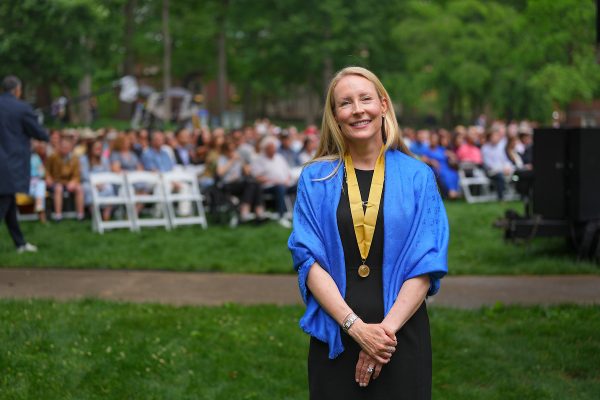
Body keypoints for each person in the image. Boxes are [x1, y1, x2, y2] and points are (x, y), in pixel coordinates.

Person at [288, 66, 448, 399]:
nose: (358, 109)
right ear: (335, 115)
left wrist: (381, 336)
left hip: (401, 337)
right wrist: (357, 329)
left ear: (384, 105)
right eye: (345, 103)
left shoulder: (419, 177)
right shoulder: (315, 179)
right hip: (336, 335)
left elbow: (426, 261)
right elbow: (308, 259)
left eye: (366, 99)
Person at [0, 75, 49, 252]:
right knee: (4, 202)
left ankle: (20, 243)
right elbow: (39, 133)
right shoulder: (22, 108)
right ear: (17, 90)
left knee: (9, 202)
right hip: (10, 163)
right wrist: (44, 130)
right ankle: (20, 243)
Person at [45, 135, 85, 221]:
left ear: (70, 147)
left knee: (79, 188)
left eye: (67, 147)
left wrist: (74, 181)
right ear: (59, 146)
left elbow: (77, 174)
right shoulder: (53, 157)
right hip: (56, 182)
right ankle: (58, 215)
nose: (64, 149)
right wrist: (48, 178)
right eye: (63, 147)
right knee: (58, 188)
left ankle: (80, 215)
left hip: (69, 182)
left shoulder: (74, 158)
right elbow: (46, 170)